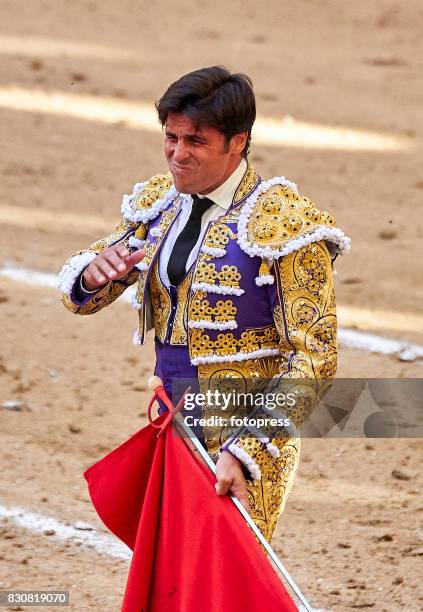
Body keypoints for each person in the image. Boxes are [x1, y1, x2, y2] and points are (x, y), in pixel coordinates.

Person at [59, 66, 350, 541]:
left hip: (245, 426)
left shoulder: (287, 224)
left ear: (238, 142)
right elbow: (86, 290)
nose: (177, 153)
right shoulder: (161, 205)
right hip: (171, 418)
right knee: (174, 570)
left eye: (195, 141)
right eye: (170, 137)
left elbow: (316, 356)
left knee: (226, 577)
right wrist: (95, 274)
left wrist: (249, 448)